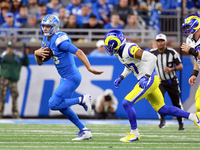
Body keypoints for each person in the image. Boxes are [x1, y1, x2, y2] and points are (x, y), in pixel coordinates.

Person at [104, 29, 200, 142]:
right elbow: (129, 64)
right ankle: (194, 117)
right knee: (162, 109)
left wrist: (147, 76)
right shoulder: (119, 52)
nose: (110, 48)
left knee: (127, 103)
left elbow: (152, 58)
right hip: (148, 79)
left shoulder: (129, 49)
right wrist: (121, 77)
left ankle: (134, 133)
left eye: (112, 45)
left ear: (119, 42)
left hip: (148, 79)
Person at [34, 14, 103, 140]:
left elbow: (79, 51)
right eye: (44, 26)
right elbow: (40, 62)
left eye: (48, 26)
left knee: (53, 104)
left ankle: (82, 100)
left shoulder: (59, 40)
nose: (45, 29)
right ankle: (84, 130)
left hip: (71, 77)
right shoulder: (45, 38)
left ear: (54, 27)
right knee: (62, 106)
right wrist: (36, 53)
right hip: (65, 77)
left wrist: (89, 68)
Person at [150, 33, 184, 130]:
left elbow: (180, 66)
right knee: (158, 101)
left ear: (165, 42)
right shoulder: (152, 53)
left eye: (162, 41)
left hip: (171, 81)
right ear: (156, 42)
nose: (160, 43)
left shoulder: (172, 52)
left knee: (176, 102)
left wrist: (172, 69)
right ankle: (162, 120)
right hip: (160, 82)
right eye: (158, 41)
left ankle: (181, 123)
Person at [0, 41, 29, 118]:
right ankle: (0, 113)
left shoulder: (17, 57)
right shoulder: (3, 56)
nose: (10, 49)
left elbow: (26, 63)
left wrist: (26, 54)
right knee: (1, 96)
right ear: (6, 48)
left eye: (11, 47)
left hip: (13, 80)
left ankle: (15, 114)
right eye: (8, 47)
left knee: (15, 97)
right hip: (4, 79)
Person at [181, 14, 200, 112]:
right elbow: (197, 59)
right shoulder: (190, 40)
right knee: (198, 106)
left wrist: (192, 51)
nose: (186, 29)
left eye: (188, 26)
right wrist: (194, 74)